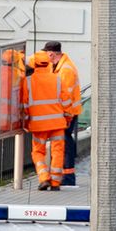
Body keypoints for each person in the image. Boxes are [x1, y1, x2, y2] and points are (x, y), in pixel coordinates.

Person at [22, 49, 68, 190]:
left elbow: (24, 104)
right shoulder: (57, 79)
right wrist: (67, 116)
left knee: (38, 152)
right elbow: (66, 101)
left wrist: (25, 120)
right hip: (57, 123)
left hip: (38, 124)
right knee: (58, 152)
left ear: (34, 64)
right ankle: (55, 183)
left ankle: (44, 178)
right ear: (48, 63)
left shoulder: (28, 81)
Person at [45, 42, 82, 189]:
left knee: (65, 142)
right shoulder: (59, 66)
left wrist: (63, 114)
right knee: (63, 142)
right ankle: (63, 175)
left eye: (47, 54)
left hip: (67, 113)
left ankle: (68, 176)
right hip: (64, 112)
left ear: (51, 54)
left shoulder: (65, 70)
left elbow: (64, 95)